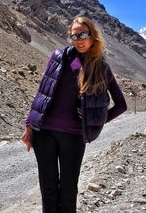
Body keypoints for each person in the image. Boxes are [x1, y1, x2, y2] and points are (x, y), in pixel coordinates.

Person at [21, 16, 127, 213]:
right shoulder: (59, 56)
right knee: (48, 190)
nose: (78, 39)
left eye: (83, 34)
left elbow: (121, 105)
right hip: (44, 133)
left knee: (69, 193)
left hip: (73, 136)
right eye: (74, 35)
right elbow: (42, 92)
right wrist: (29, 125)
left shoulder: (101, 67)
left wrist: (94, 122)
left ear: (93, 36)